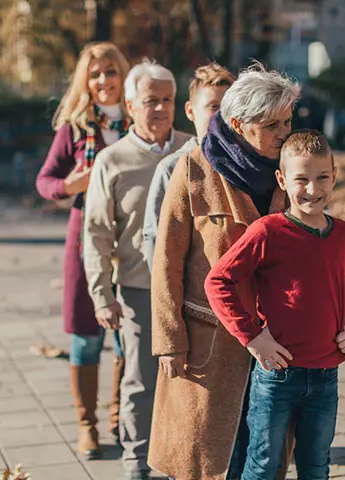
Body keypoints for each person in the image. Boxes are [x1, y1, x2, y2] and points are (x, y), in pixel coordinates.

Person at [148, 63, 298, 480]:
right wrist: (169, 340)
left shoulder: (290, 173)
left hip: (275, 341)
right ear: (238, 124)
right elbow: (166, 261)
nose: (284, 133)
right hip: (207, 343)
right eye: (273, 125)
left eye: (288, 121)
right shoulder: (195, 168)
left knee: (265, 457)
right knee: (209, 460)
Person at [204, 130, 345, 480]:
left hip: (326, 376)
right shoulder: (267, 232)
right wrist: (252, 337)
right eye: (301, 180)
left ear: (335, 175)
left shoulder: (344, 234)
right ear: (282, 180)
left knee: (315, 466)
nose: (313, 189)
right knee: (263, 465)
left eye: (322, 177)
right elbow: (218, 282)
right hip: (276, 376)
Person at [83, 59, 192, 480]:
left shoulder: (192, 150)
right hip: (138, 289)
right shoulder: (112, 161)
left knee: (187, 380)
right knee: (141, 380)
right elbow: (95, 233)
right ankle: (137, 462)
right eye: (150, 101)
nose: (160, 109)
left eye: (167, 100)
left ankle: (180, 456)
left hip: (190, 289)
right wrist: (101, 294)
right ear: (130, 105)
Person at [35, 42, 130, 460]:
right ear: (85, 81)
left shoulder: (140, 121)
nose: (104, 80)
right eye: (95, 74)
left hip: (131, 241)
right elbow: (46, 181)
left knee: (130, 337)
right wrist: (70, 185)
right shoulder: (74, 128)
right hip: (86, 240)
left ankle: (119, 418)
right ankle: (87, 426)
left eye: (110, 71)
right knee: (86, 338)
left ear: (123, 74)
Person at [142, 63, 235, 269]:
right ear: (190, 111)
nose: (222, 116)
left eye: (228, 107)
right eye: (213, 107)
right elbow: (155, 239)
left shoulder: (244, 164)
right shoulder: (173, 167)